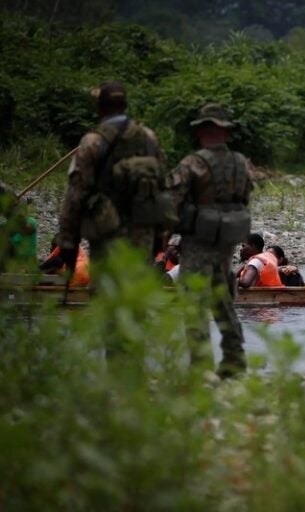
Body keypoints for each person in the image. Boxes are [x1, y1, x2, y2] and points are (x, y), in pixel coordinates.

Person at [165, 103, 255, 379]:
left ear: (204, 129)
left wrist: (163, 237)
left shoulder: (192, 163)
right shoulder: (241, 163)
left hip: (197, 243)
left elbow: (171, 203)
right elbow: (245, 198)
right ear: (226, 132)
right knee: (223, 299)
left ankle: (201, 364)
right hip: (226, 244)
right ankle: (234, 360)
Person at [57, 80, 168, 276]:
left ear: (100, 108)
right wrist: (161, 234)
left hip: (106, 232)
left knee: (106, 294)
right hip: (143, 231)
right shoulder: (149, 138)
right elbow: (161, 187)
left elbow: (76, 195)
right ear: (125, 106)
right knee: (138, 294)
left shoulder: (92, 142)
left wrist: (68, 241)